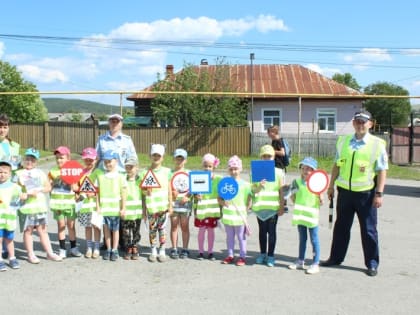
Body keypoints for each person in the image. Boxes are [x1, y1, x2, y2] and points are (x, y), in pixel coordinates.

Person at [321, 110, 388, 277]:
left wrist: (379, 193)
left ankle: (372, 263)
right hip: (345, 192)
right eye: (357, 121)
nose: (360, 124)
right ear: (353, 123)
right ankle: (335, 258)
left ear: (370, 124)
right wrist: (331, 186)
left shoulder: (377, 144)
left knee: (369, 230)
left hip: (366, 194)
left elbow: (381, 171)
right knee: (341, 227)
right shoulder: (343, 141)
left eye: (363, 122)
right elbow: (337, 164)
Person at [15, 148, 62, 264]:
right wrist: (23, 194)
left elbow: (48, 187)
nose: (29, 161)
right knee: (28, 230)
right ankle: (31, 254)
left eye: (32, 159)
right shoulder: (18, 173)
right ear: (24, 159)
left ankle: (50, 253)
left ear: (36, 161)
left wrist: (39, 189)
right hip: (26, 208)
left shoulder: (40, 173)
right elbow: (14, 190)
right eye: (27, 159)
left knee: (43, 230)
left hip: (40, 206)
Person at [287, 157, 323, 274]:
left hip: (312, 216)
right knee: (302, 239)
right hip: (300, 216)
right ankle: (300, 260)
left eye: (309, 169)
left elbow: (321, 199)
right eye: (303, 168)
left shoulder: (317, 183)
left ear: (314, 171)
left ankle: (315, 263)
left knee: (314, 239)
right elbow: (292, 196)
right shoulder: (296, 182)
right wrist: (294, 199)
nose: (306, 171)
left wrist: (321, 199)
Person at [251, 145, 284, 267]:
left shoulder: (279, 172)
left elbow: (281, 191)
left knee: (272, 232)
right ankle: (262, 254)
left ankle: (271, 256)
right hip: (260, 207)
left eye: (269, 156)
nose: (266, 158)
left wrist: (281, 206)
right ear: (260, 157)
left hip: (273, 208)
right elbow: (253, 190)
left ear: (274, 157)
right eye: (264, 156)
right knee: (262, 232)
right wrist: (259, 185)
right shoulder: (255, 171)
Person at [140, 144, 173, 263]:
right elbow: (143, 192)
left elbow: (169, 189)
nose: (156, 157)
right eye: (154, 155)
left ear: (163, 157)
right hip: (151, 208)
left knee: (162, 229)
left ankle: (162, 251)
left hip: (163, 208)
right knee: (152, 230)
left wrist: (170, 205)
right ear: (150, 156)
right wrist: (144, 209)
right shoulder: (145, 173)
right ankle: (153, 250)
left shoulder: (167, 172)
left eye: (159, 155)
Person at [48, 146, 81, 258]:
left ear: (68, 158)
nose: (59, 160)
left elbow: (77, 188)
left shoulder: (74, 171)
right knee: (61, 225)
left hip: (70, 204)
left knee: (71, 225)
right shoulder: (52, 172)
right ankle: (62, 249)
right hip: (57, 204)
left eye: (61, 158)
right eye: (57, 158)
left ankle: (73, 247)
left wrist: (73, 185)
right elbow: (49, 187)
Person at [219, 155, 251, 266]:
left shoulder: (246, 185)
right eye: (231, 169)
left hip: (239, 217)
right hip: (228, 216)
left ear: (240, 169)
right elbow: (219, 198)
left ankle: (242, 256)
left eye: (236, 169)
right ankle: (230, 255)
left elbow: (249, 197)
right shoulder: (224, 183)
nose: (233, 171)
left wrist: (246, 209)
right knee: (229, 237)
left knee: (241, 237)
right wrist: (223, 203)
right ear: (228, 170)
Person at [95, 150, 127, 261]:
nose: (108, 164)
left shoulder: (120, 176)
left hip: (115, 210)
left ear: (116, 161)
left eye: (110, 161)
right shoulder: (101, 176)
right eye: (106, 161)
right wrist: (98, 207)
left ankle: (115, 249)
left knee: (116, 230)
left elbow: (123, 194)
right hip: (104, 210)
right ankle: (108, 249)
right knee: (106, 230)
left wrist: (123, 208)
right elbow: (97, 194)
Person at [76, 147, 103, 259]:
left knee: (96, 226)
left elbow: (102, 187)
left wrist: (95, 194)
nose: (88, 162)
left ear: (96, 159)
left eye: (91, 160)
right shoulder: (80, 173)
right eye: (86, 159)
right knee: (87, 227)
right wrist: (77, 194)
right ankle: (89, 247)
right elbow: (77, 187)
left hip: (95, 205)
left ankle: (96, 248)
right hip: (84, 205)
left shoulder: (98, 173)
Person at [0, 114, 21, 259]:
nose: (2, 130)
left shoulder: (15, 146)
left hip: (11, 186)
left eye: (5, 127)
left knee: (9, 215)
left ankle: (7, 246)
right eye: (0, 127)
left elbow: (18, 167)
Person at [194, 153, 221, 261]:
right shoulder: (198, 178)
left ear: (214, 166)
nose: (207, 168)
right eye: (205, 166)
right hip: (201, 210)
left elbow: (223, 192)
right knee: (201, 230)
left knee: (211, 231)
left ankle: (210, 252)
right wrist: (196, 195)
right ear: (202, 166)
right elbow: (194, 193)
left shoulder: (218, 179)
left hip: (212, 210)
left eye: (210, 166)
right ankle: (200, 251)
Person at [0, 160, 25, 271]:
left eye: (5, 172)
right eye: (0, 172)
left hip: (10, 219)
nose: (2, 174)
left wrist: (24, 196)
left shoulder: (15, 187)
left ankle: (12, 258)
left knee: (9, 239)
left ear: (10, 174)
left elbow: (22, 196)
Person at [169, 148, 192, 259]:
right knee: (174, 226)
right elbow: (167, 187)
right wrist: (171, 193)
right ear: (174, 159)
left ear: (185, 160)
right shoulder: (170, 173)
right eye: (177, 159)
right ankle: (174, 248)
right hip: (174, 204)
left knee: (184, 226)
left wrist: (187, 196)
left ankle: (185, 248)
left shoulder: (189, 173)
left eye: (181, 159)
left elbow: (194, 188)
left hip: (185, 204)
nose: (179, 161)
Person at [121, 157, 142, 260]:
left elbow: (144, 194)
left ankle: (135, 247)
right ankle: (128, 248)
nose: (129, 169)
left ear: (137, 168)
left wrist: (145, 210)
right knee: (126, 231)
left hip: (137, 211)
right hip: (126, 211)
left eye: (131, 167)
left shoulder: (140, 180)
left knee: (136, 231)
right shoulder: (122, 179)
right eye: (127, 167)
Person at [267, 125, 289, 212]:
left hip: (279, 166)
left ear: (273, 132)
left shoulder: (278, 141)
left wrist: (272, 150)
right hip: (275, 165)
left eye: (269, 132)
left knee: (281, 186)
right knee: (277, 185)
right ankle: (280, 203)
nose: (268, 134)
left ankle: (283, 205)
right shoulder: (274, 141)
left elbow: (282, 153)